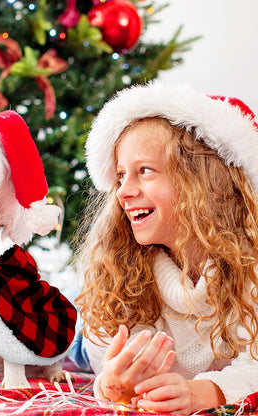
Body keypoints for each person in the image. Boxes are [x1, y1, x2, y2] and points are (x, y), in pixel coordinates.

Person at [74, 81, 258, 415]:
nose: (122, 192)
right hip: (84, 341)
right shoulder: (124, 269)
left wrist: (205, 392)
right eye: (119, 177)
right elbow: (109, 364)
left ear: (202, 183)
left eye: (144, 171)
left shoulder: (251, 268)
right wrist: (114, 384)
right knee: (73, 346)